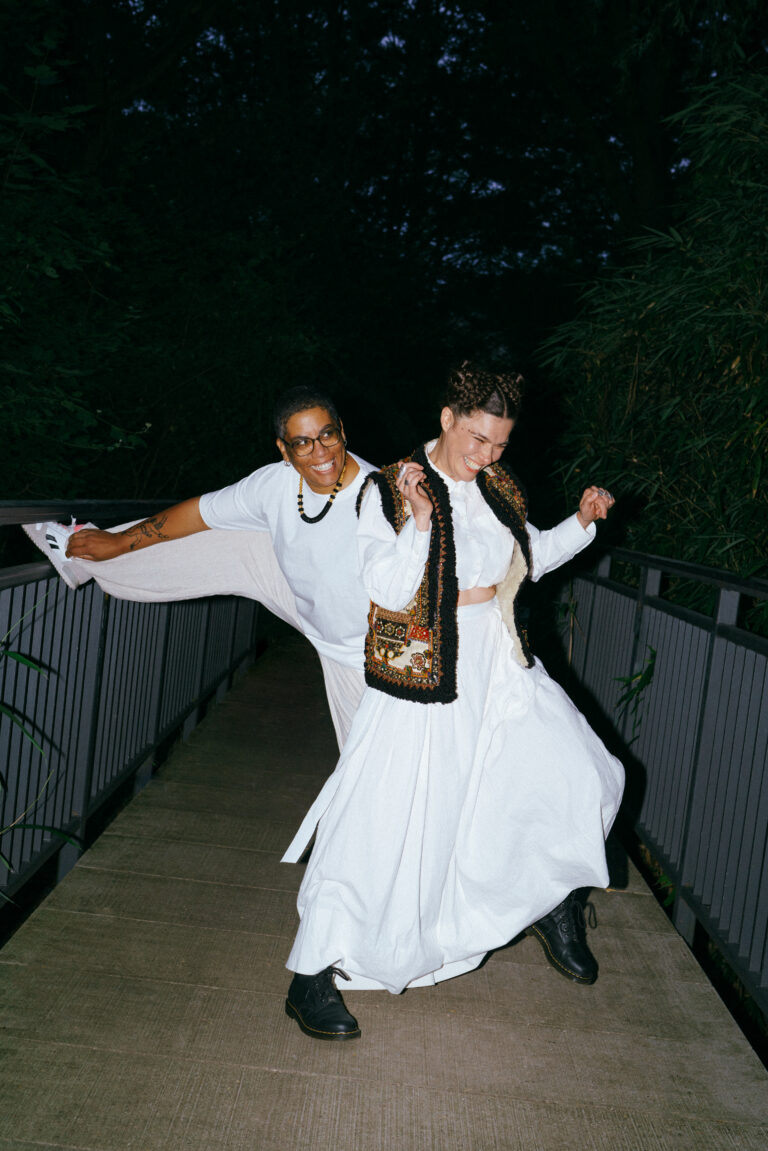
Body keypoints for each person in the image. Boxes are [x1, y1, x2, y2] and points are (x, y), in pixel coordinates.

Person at [280, 362, 624, 1042]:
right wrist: (420, 520)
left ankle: (551, 899)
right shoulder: (389, 487)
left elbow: (526, 558)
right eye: (477, 438)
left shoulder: (499, 486)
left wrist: (582, 522)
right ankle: (310, 973)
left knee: (579, 773)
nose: (488, 455)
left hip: (498, 662)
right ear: (447, 418)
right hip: (423, 674)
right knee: (382, 819)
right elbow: (385, 585)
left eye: (500, 443)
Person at [51, 387, 376, 747]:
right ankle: (84, 555)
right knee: (230, 534)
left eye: (327, 435)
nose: (321, 452)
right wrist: (119, 541)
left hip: (375, 660)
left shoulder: (383, 499)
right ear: (284, 450)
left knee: (370, 771)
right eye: (302, 443)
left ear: (342, 431)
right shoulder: (274, 484)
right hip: (321, 621)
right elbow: (198, 513)